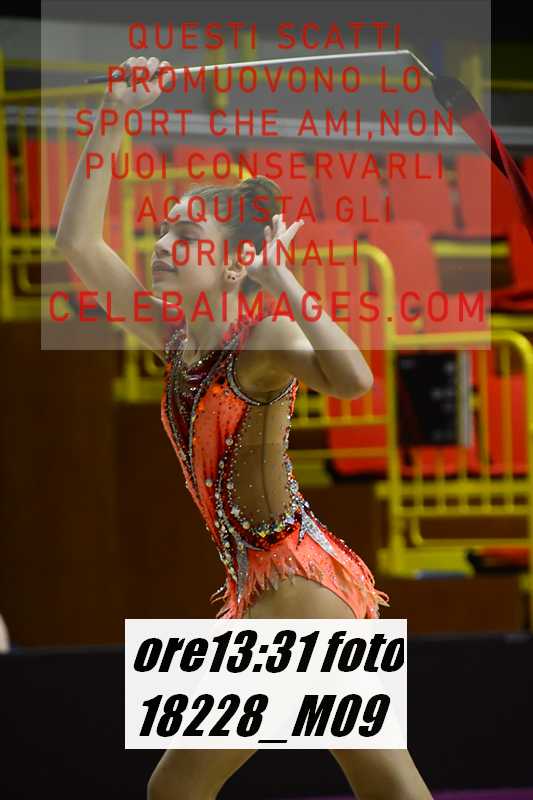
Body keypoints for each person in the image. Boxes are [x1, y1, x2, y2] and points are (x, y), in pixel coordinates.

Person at [56, 55, 433, 800]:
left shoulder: (262, 340)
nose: (163, 246)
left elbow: (354, 380)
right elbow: (79, 244)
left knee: (175, 790)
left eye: (186, 234)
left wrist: (283, 279)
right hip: (288, 585)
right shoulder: (175, 341)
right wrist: (115, 112)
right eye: (163, 231)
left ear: (234, 265)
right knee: (387, 784)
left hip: (296, 587)